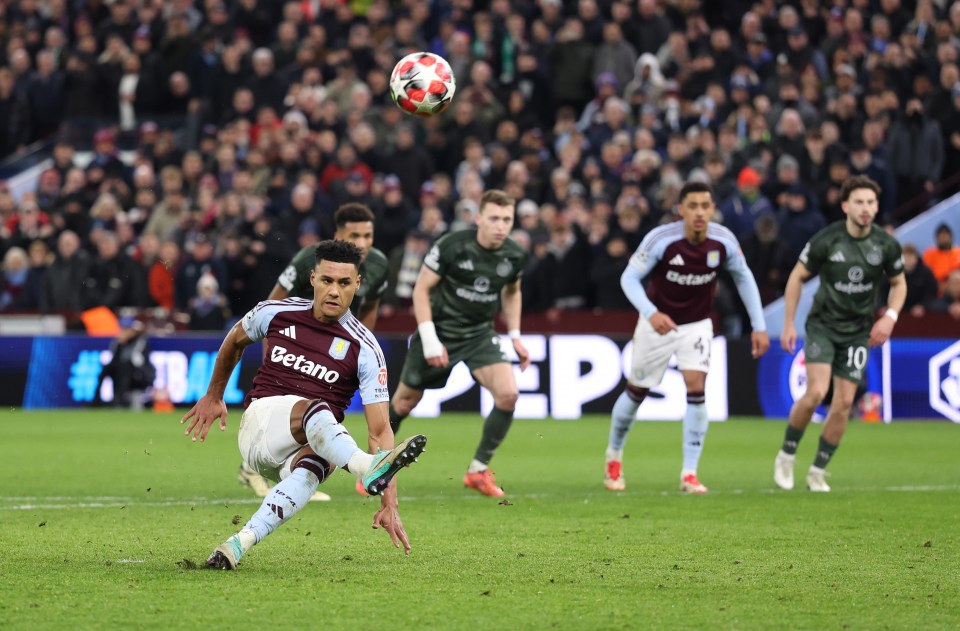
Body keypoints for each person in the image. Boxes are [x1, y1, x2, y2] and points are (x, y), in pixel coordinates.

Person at [181, 240, 427, 570]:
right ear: (312, 279)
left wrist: (390, 502)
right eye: (327, 281)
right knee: (320, 410)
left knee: (319, 462)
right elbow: (234, 340)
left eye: (343, 283)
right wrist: (214, 395)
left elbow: (381, 429)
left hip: (301, 451)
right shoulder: (276, 311)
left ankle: (239, 543)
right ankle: (365, 468)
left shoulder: (365, 349)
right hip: (260, 426)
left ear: (358, 284)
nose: (334, 292)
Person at [605, 181, 770, 494]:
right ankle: (614, 457)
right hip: (657, 324)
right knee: (637, 390)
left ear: (712, 209)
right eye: (692, 206)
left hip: (696, 324)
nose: (699, 212)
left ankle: (690, 473)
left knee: (697, 387)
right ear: (680, 210)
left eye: (704, 206)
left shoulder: (723, 240)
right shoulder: (662, 239)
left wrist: (759, 325)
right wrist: (651, 312)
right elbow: (629, 278)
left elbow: (744, 277)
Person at [235, 203, 390, 500]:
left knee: (318, 415)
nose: (362, 243)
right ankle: (275, 469)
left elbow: (370, 308)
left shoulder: (380, 265)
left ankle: (294, 476)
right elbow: (275, 302)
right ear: (338, 235)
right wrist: (277, 359)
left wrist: (362, 349)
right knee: (305, 412)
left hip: (338, 340)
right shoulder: (312, 257)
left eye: (368, 235)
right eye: (354, 235)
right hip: (297, 341)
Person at [389, 189, 530, 497]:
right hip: (439, 330)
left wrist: (516, 336)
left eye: (507, 219)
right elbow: (421, 291)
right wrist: (429, 340)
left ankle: (478, 470)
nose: (500, 226)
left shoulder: (514, 254)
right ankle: (377, 465)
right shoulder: (452, 246)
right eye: (494, 218)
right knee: (403, 403)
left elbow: (512, 291)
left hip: (480, 333)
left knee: (508, 394)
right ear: (479, 218)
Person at [774, 176, 906, 493]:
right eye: (859, 202)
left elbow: (899, 284)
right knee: (817, 393)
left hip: (858, 331)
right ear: (846, 205)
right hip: (822, 325)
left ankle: (818, 469)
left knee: (845, 401)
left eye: (871, 202)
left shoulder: (886, 244)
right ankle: (787, 453)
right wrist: (789, 323)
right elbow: (796, 277)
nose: (866, 209)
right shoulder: (827, 239)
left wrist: (889, 316)